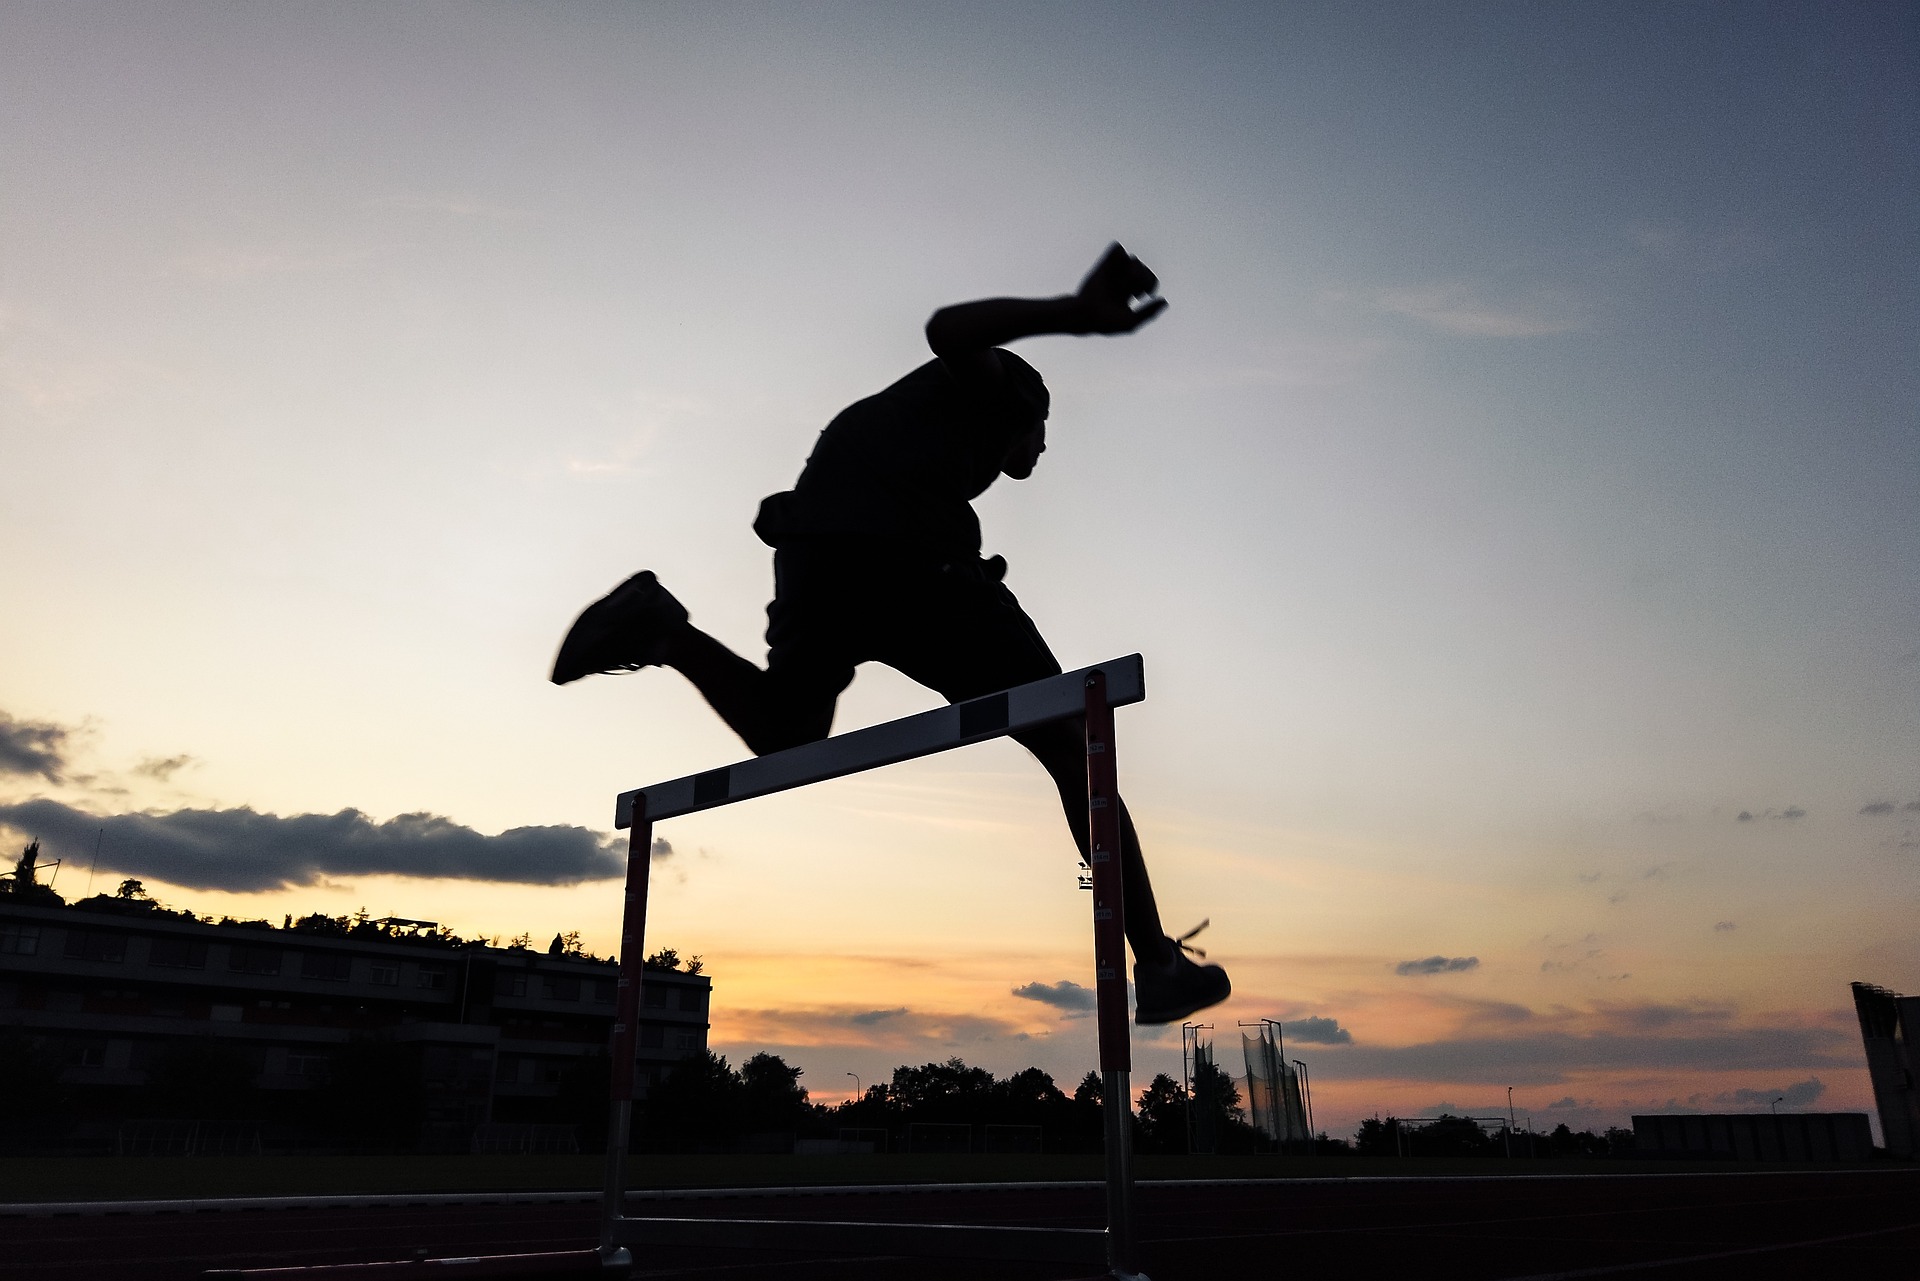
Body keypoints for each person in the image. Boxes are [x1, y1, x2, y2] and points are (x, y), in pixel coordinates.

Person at [551, 243, 1229, 1025]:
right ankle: (1157, 961)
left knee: (786, 728)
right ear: (1028, 416)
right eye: (1043, 438)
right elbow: (949, 327)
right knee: (1073, 744)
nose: (1040, 454)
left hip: (819, 555)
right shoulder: (998, 393)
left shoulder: (903, 428)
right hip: (914, 565)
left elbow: (857, 465)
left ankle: (662, 629)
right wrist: (1076, 315)